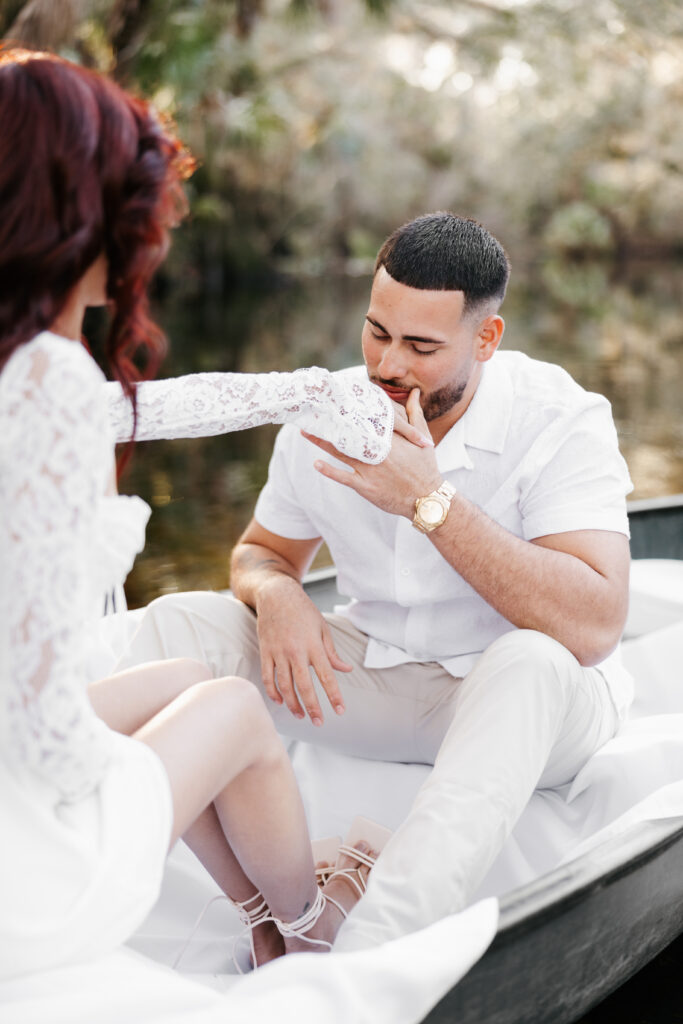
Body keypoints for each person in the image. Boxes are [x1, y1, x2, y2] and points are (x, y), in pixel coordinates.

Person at [0, 47, 425, 980]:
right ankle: (309, 925)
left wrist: (302, 390)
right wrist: (142, 772)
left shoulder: (19, 366)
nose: (156, 229)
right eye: (138, 204)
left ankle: (264, 921)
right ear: (83, 213)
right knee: (230, 708)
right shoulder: (42, 381)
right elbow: (44, 741)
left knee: (183, 673)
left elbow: (149, 411)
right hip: (28, 874)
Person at [114, 215, 633, 949]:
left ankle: (366, 950)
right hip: (379, 674)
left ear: (486, 340)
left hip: (526, 704)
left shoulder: (560, 419)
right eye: (376, 332)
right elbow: (259, 553)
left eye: (421, 347)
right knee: (179, 623)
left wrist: (432, 503)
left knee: (532, 658)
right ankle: (249, 912)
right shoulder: (325, 418)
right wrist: (279, 594)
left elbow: (593, 625)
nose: (387, 365)